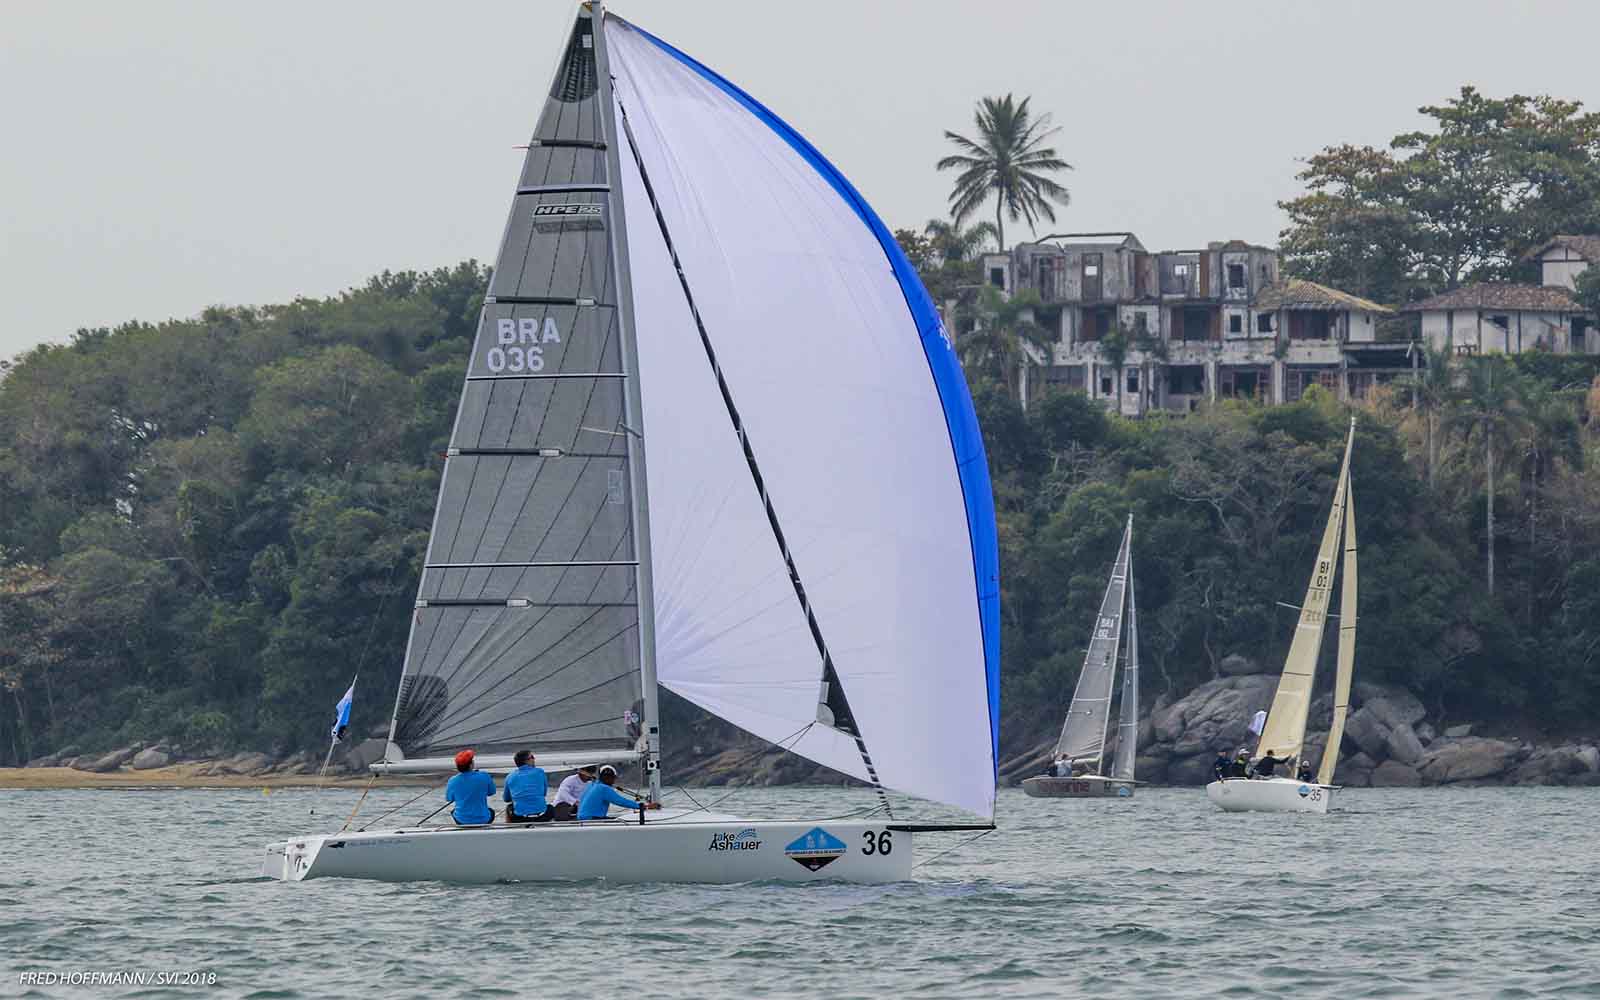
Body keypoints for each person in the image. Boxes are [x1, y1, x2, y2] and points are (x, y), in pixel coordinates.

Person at [576, 764, 662, 820]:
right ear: (612, 777)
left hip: (582, 819)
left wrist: (638, 808)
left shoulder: (591, 784)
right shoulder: (604, 788)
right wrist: (644, 807)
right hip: (591, 820)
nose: (613, 781)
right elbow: (621, 801)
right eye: (613, 778)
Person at [444, 749, 496, 825]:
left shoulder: (452, 780)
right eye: (472, 760)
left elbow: (449, 798)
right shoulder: (484, 775)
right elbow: (491, 792)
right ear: (471, 765)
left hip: (461, 820)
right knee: (491, 811)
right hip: (484, 819)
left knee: (453, 811)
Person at [503, 750, 553, 824]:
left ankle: (509, 831)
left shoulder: (509, 777)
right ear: (526, 761)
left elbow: (506, 799)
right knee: (550, 807)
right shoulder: (540, 772)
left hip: (519, 817)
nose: (534, 759)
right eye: (532, 757)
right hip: (542, 816)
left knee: (509, 807)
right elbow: (544, 793)